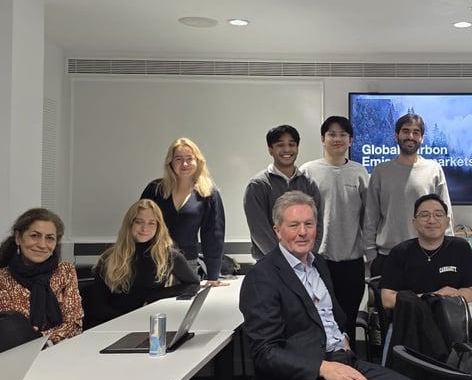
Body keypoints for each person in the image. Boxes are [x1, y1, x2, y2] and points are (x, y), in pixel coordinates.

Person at [239, 191, 425, 380]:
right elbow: (265, 353)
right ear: (277, 230)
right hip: (302, 379)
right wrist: (322, 367)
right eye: (294, 225)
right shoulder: (262, 277)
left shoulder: (319, 264)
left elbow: (332, 315)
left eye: (309, 224)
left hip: (342, 358)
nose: (303, 232)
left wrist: (343, 337)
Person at [300, 116, 368, 348]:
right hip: (317, 260)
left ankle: (349, 363)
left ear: (351, 140)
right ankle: (323, 364)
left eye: (343, 134)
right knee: (319, 320)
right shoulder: (308, 171)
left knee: (347, 319)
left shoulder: (359, 172)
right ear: (323, 139)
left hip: (352, 260)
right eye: (332, 134)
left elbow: (367, 217)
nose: (337, 139)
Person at [363, 113, 453, 277]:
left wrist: (447, 251)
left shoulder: (433, 170)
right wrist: (370, 255)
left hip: (427, 254)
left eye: (416, 132)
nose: (410, 136)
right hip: (387, 256)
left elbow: (445, 215)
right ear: (396, 136)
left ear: (422, 138)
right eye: (405, 131)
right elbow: (371, 215)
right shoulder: (381, 171)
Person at [86, 199, 200, 327]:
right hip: (112, 324)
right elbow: (98, 308)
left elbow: (194, 284)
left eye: (151, 223)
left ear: (158, 227)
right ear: (130, 224)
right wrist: (130, 320)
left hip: (147, 324)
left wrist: (155, 296)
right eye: (139, 222)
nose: (144, 228)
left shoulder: (167, 255)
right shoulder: (109, 257)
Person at [141, 137, 227, 285]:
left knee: (183, 300)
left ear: (198, 161)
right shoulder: (155, 189)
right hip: (152, 261)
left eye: (189, 158)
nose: (184, 164)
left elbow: (213, 236)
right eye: (178, 159)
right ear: (170, 162)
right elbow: (137, 226)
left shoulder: (208, 193)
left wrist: (213, 276)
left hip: (187, 265)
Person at [380, 194, 472, 310]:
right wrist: (433, 297)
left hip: (450, 316)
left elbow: (471, 291)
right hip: (411, 317)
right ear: (414, 222)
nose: (431, 220)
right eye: (424, 215)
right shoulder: (399, 253)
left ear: (447, 221)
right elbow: (387, 300)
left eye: (438, 215)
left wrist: (452, 295)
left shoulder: (460, 248)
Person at [0, 208, 83, 344]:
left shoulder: (65, 271)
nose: (42, 245)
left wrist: (38, 338)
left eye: (50, 238)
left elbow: (74, 325)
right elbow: (9, 331)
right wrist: (38, 339)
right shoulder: (3, 278)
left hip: (60, 350)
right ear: (18, 238)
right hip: (16, 353)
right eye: (35, 236)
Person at [243, 124, 322, 261]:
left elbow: (317, 224)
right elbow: (260, 231)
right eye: (280, 145)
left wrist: (307, 256)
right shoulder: (258, 185)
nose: (287, 149)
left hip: (305, 263)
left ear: (297, 148)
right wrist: (285, 262)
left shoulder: (308, 184)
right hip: (270, 263)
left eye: (292, 144)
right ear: (270, 150)